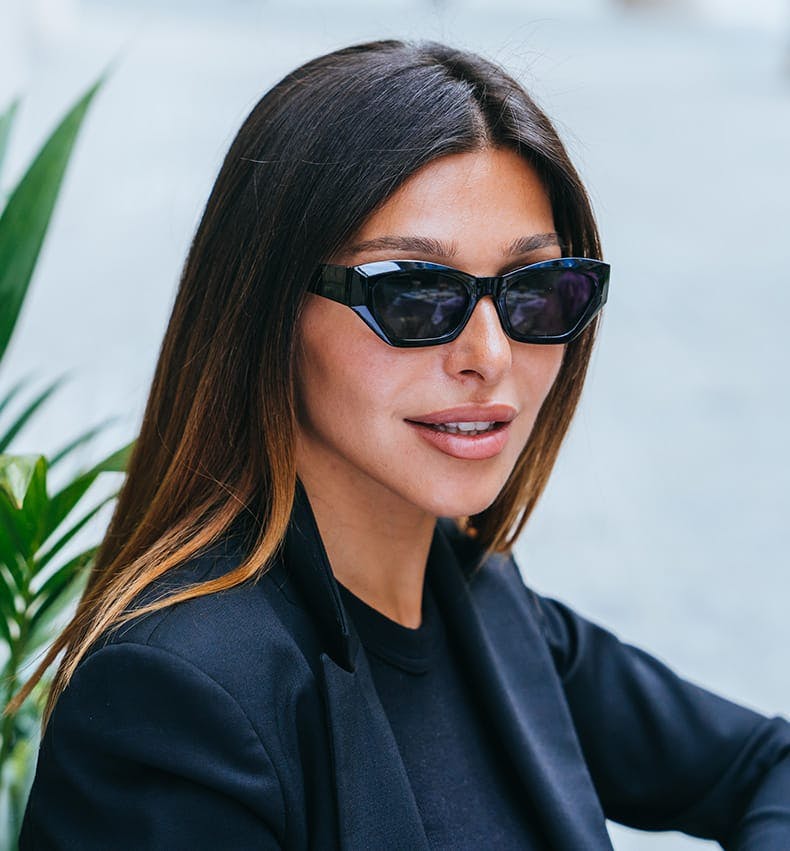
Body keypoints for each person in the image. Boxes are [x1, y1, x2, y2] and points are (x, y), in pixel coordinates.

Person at [14, 39, 790, 849]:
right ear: (268, 314)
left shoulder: (480, 598)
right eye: (415, 294)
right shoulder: (175, 700)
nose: (489, 356)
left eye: (535, 292)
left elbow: (767, 763)